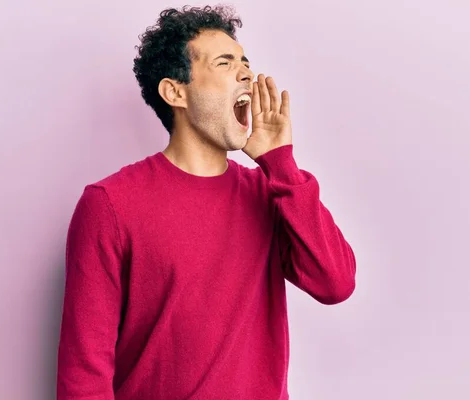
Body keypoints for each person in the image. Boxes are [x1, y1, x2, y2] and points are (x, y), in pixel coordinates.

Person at [56, 5, 356, 400]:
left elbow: (335, 283)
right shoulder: (109, 204)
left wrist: (280, 163)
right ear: (175, 91)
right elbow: (84, 376)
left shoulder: (270, 192)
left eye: (245, 62)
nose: (246, 73)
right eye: (224, 62)